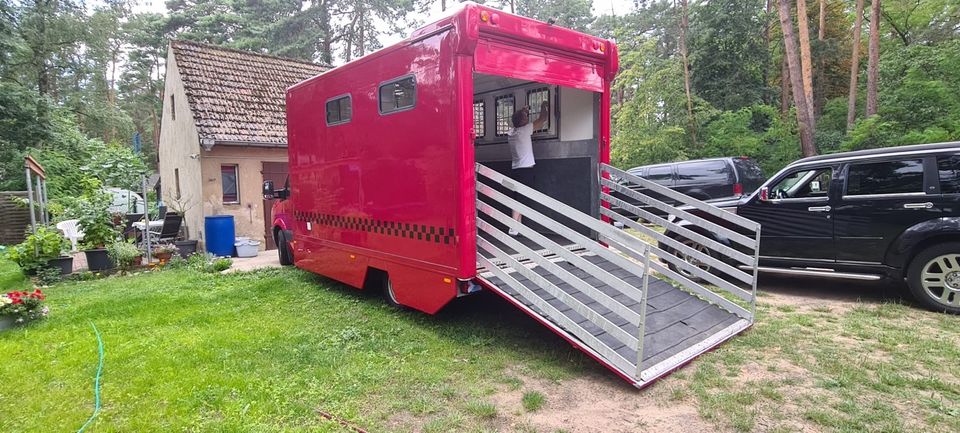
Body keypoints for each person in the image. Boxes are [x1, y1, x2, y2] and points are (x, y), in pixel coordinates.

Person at [507, 101, 550, 236]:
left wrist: (523, 110)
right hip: (526, 170)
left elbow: (517, 119)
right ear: (522, 122)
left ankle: (517, 225)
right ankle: (513, 226)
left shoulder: (511, 133)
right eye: (526, 118)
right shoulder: (525, 131)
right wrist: (544, 106)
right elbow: (542, 119)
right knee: (521, 198)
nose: (528, 119)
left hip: (516, 169)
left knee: (517, 197)